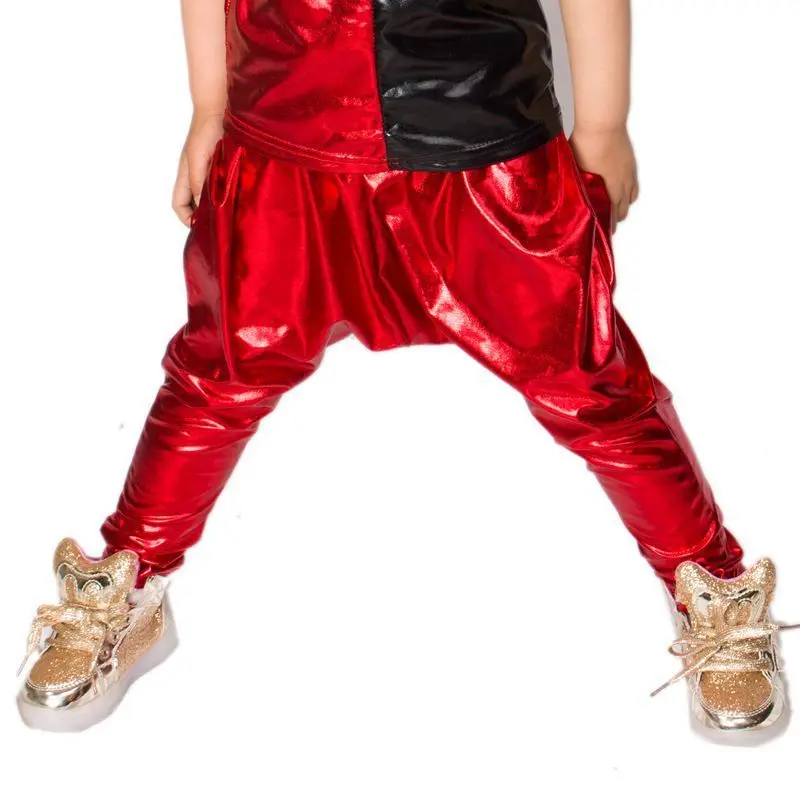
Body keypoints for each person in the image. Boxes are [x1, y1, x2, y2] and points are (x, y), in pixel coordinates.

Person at [16, 0, 791, 740]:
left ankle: (709, 582)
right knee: (219, 371)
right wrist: (208, 108)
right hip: (285, 140)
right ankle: (132, 578)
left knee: (588, 380)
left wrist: (603, 124)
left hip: (482, 133)